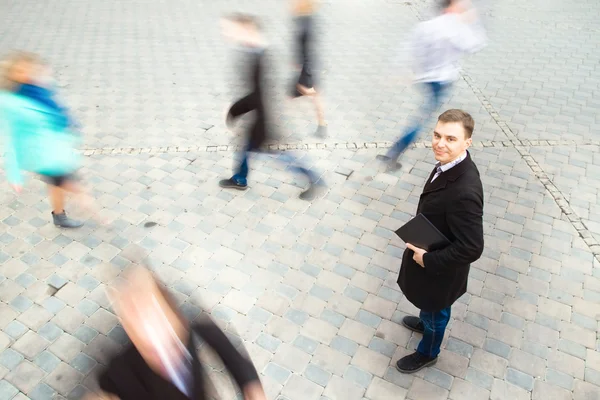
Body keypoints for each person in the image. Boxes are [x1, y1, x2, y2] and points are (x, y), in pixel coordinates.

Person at [86, 267, 267, 400]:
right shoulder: (120, 371)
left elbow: (232, 355)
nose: (146, 325)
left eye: (151, 309)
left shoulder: (194, 328)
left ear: (170, 309)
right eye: (132, 315)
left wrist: (251, 385)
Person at [395, 109, 484, 373]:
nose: (440, 143)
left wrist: (429, 259)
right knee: (429, 306)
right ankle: (425, 321)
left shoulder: (465, 192)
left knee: (437, 313)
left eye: (450, 139)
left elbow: (472, 247)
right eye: (437, 135)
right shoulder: (452, 163)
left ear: (467, 142)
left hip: (441, 269)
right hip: (434, 247)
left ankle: (428, 352)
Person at [218, 13, 325, 200]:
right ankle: (239, 179)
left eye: (231, 29)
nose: (227, 33)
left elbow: (260, 95)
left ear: (247, 30)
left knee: (280, 155)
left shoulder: (263, 56)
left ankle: (313, 178)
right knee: (245, 147)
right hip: (259, 117)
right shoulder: (252, 52)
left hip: (266, 121)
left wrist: (233, 111)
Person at [377, 0, 486, 171]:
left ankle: (393, 151)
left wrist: (401, 72)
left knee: (423, 115)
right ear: (451, 6)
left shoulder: (427, 26)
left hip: (426, 79)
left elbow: (410, 50)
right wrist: (473, 22)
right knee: (422, 119)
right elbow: (475, 45)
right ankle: (393, 154)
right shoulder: (457, 27)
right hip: (442, 81)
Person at [0, 51, 100, 228]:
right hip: (42, 154)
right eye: (21, 71)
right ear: (12, 75)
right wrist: (14, 173)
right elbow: (10, 137)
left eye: (29, 69)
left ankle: (59, 215)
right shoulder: (10, 102)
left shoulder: (36, 88)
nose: (28, 74)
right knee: (75, 188)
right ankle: (104, 221)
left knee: (57, 185)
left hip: (55, 148)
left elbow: (53, 109)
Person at [288, 0, 327, 137]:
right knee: (308, 94)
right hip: (308, 66)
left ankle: (322, 125)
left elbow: (306, 48)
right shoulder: (306, 19)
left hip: (307, 68)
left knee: (310, 93)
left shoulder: (304, 23)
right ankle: (322, 125)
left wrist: (302, 67)